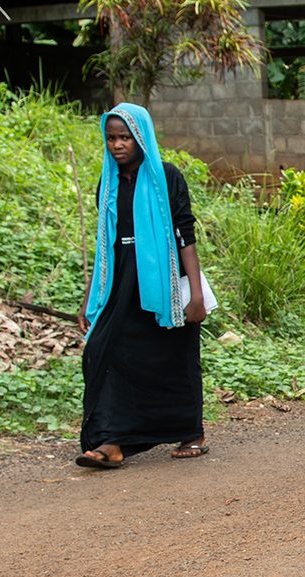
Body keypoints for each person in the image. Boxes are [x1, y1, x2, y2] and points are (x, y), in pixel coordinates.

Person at [75, 103, 210, 470]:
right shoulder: (108, 182)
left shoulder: (166, 177)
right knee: (105, 352)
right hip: (120, 281)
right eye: (111, 138)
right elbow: (105, 242)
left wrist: (195, 294)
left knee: (174, 356)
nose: (117, 145)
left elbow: (185, 234)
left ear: (141, 138)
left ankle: (190, 432)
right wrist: (90, 296)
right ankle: (113, 439)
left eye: (124, 137)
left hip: (161, 282)